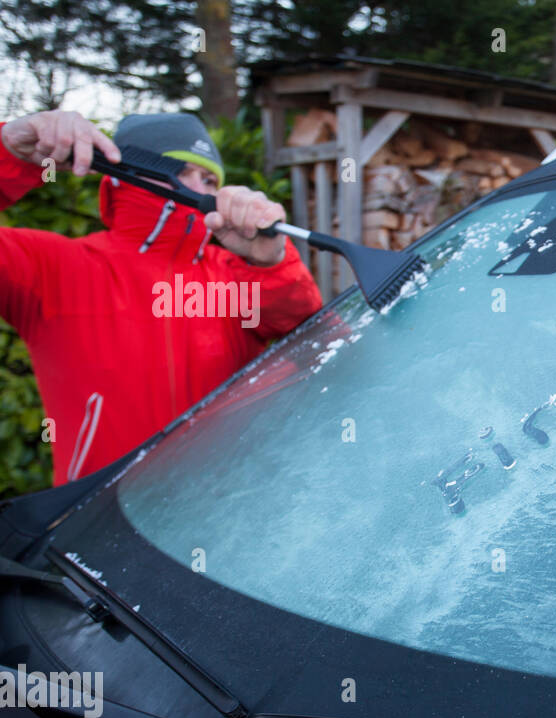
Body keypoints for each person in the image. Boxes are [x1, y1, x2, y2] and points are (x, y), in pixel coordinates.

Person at [0, 109, 323, 485]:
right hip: (98, 527)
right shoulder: (48, 268)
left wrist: (273, 263)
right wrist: (7, 153)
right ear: (118, 181)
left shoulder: (238, 276)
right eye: (179, 171)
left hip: (232, 523)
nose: (200, 190)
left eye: (208, 179)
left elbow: (325, 352)